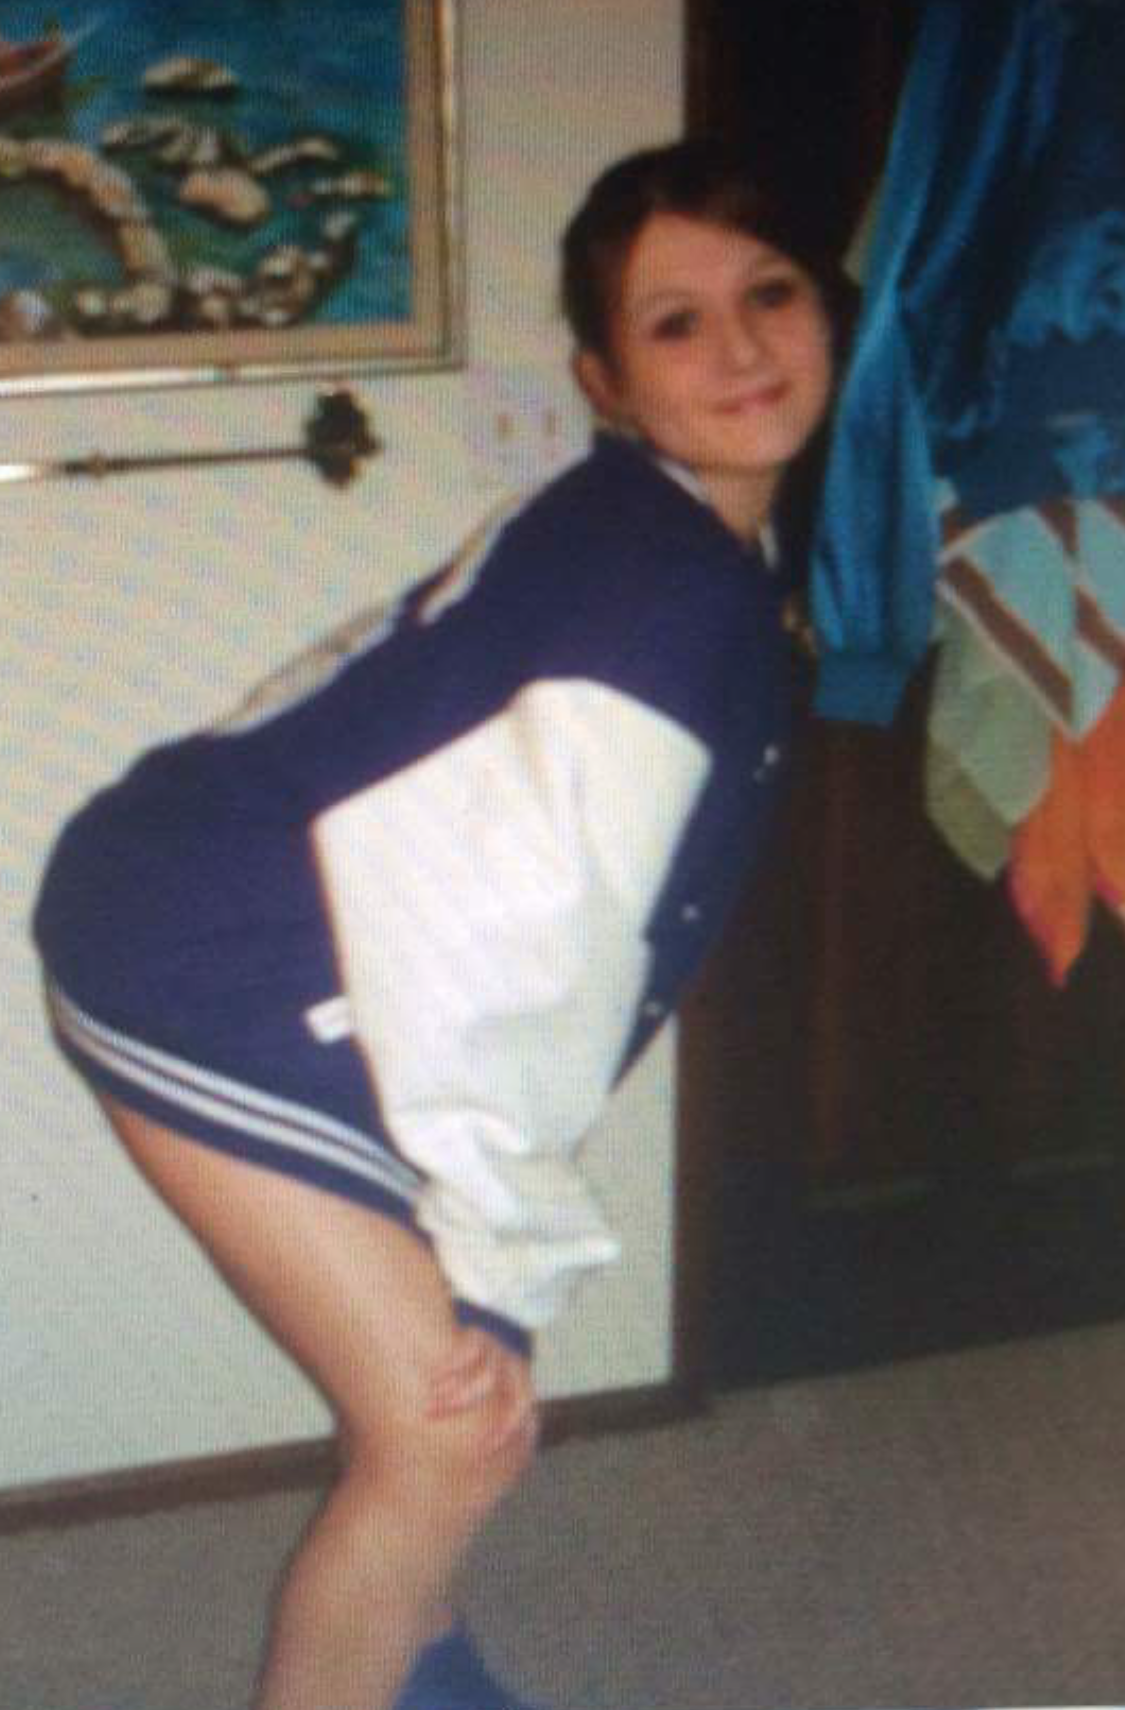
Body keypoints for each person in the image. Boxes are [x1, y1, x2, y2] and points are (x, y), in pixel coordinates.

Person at [33, 139, 845, 1710]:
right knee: (449, 1427)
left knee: (446, 1377)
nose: (741, 348)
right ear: (606, 380)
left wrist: (474, 1252)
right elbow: (515, 953)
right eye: (676, 323)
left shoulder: (657, 527)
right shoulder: (663, 601)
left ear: (828, 311)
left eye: (771, 294)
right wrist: (485, 1253)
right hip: (206, 954)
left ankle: (410, 1661)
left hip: (267, 905)